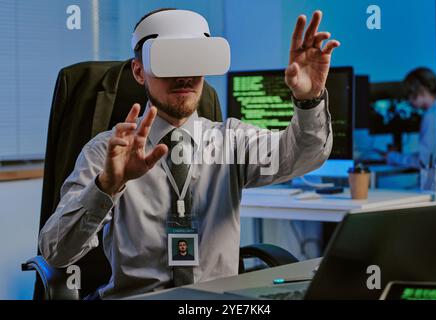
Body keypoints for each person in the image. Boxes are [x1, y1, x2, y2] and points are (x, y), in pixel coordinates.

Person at [39, 8, 339, 299]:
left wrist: (309, 100)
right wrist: (106, 187)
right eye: (169, 60)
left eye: (194, 59)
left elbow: (304, 154)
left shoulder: (232, 141)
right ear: (139, 70)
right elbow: (57, 251)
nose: (184, 75)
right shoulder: (106, 152)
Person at [386, 67, 436, 169]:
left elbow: (424, 161)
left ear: (422, 90)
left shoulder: (430, 116)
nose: (409, 101)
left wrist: (392, 157)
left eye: (410, 94)